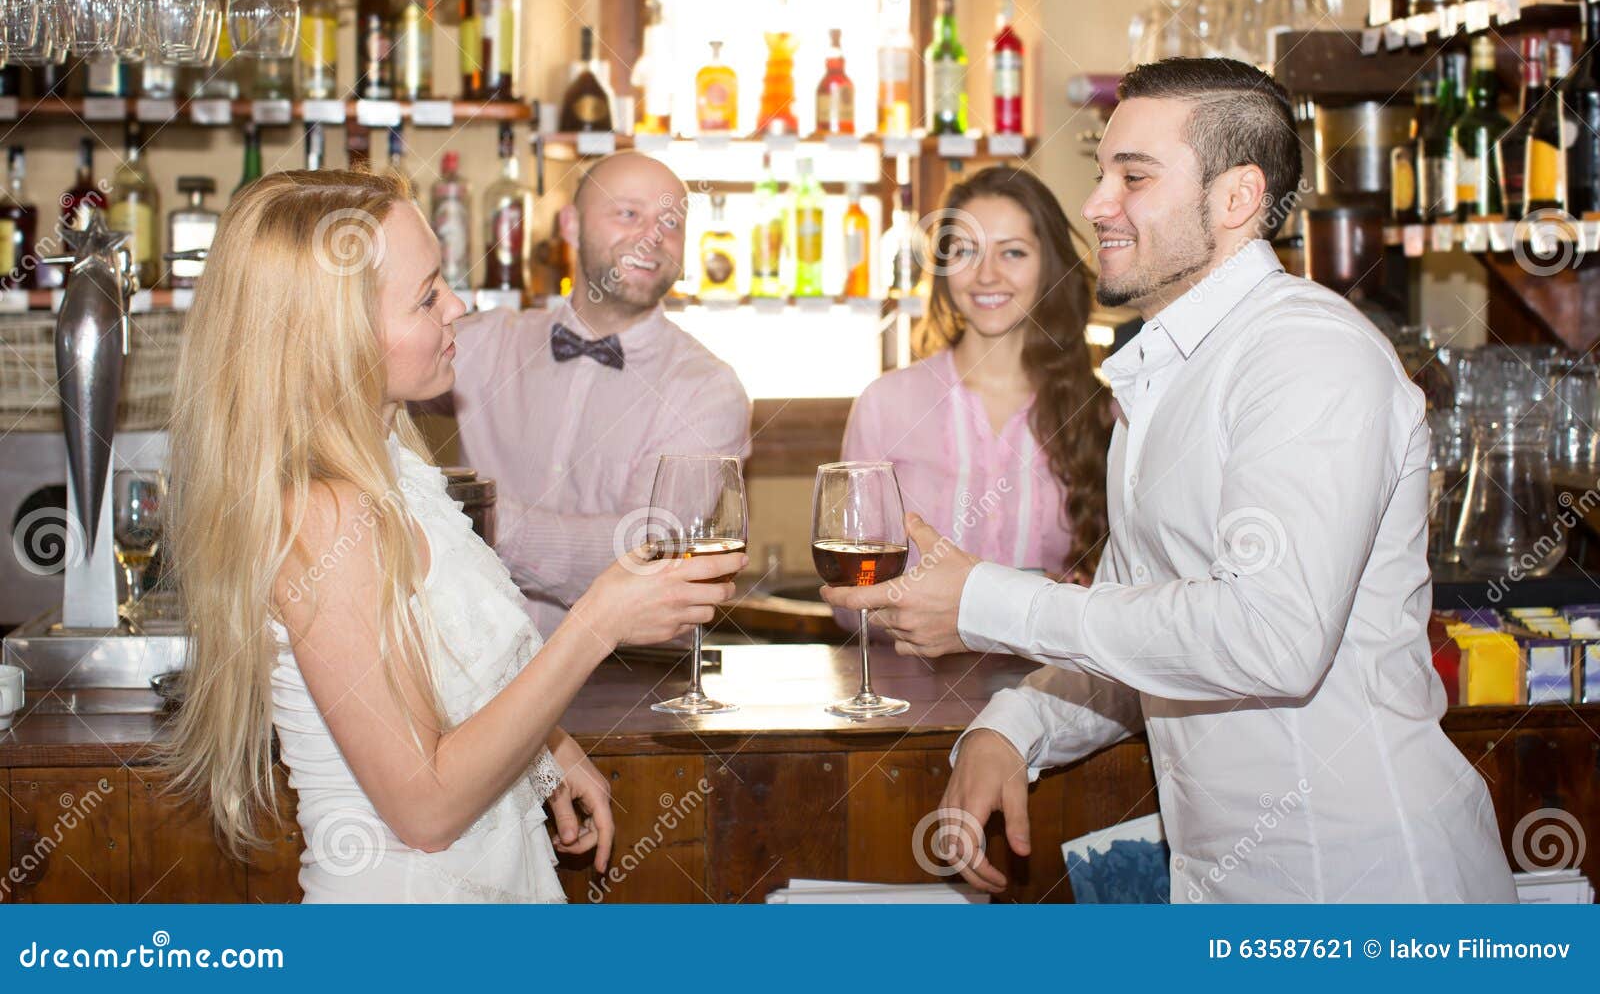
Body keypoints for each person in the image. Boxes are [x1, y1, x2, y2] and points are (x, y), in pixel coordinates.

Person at [822, 58, 1516, 903]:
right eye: (1101, 173)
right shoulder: (1162, 377)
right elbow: (1136, 632)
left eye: (1134, 177)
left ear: (1237, 198)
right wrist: (1015, 723)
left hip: (1367, 890)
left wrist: (986, 600)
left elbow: (1271, 639)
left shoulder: (1308, 353)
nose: (1095, 204)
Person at [163, 170, 746, 902]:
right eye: (427, 295)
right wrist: (597, 622)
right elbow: (427, 810)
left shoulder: (398, 470)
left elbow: (449, 674)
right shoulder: (329, 515)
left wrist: (548, 746)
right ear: (339, 334)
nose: (458, 307)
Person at [444, 152, 751, 636]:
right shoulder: (484, 344)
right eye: (628, 213)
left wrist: (471, 516)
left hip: (630, 672)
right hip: (470, 664)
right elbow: (355, 381)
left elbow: (649, 550)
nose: (652, 237)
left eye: (671, 222)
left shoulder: (708, 388)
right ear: (570, 225)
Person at [836, 166, 1110, 635]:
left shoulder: (1102, 412)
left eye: (1013, 252)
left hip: (1052, 683)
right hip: (906, 680)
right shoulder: (885, 405)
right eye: (965, 251)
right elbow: (849, 603)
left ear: (1050, 265)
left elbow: (1123, 602)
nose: (987, 275)